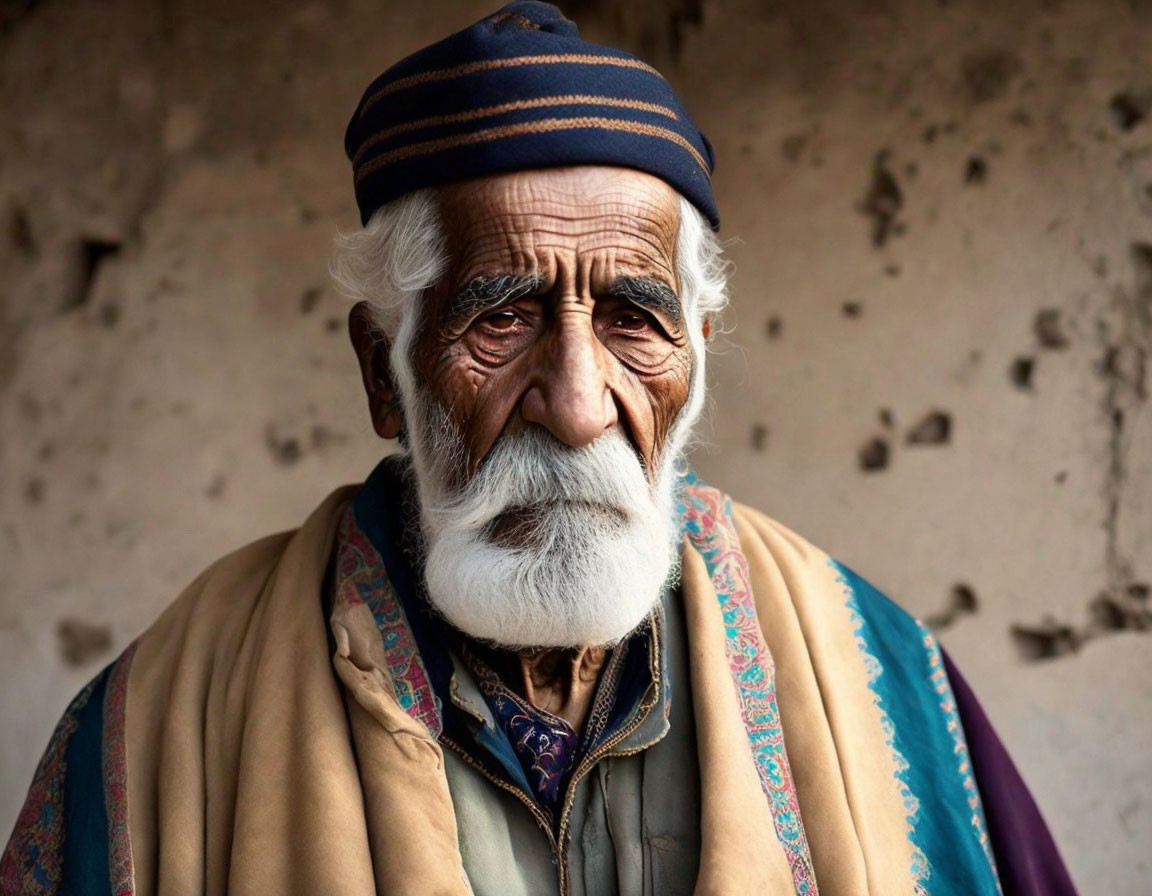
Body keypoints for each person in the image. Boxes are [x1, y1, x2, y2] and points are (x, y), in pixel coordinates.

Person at [1, 3, 1076, 894]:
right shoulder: (166, 721)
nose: (575, 403)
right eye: (501, 318)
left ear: (695, 357)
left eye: (631, 320)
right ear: (385, 368)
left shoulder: (880, 680)